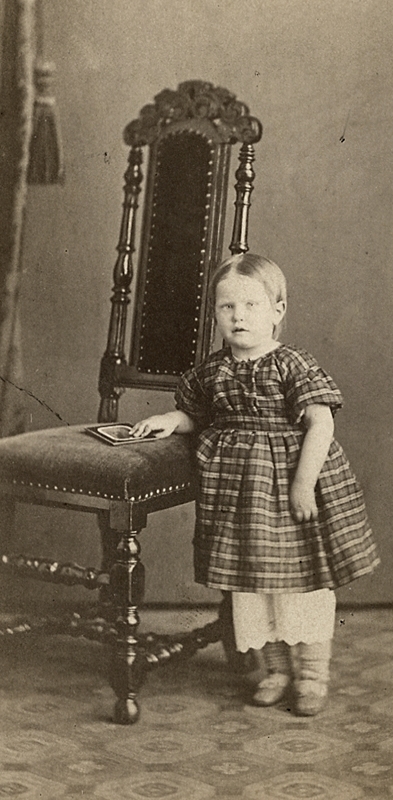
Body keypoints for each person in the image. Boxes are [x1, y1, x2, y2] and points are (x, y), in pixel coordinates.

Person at [130, 253, 379, 716]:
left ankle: (312, 675)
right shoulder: (213, 370)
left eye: (251, 305)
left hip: (290, 493)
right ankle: (276, 670)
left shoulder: (291, 363)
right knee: (253, 587)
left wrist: (303, 485)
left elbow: (321, 424)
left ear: (277, 310)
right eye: (227, 307)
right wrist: (172, 419)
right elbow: (198, 414)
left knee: (301, 587)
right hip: (240, 500)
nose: (239, 316)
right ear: (215, 313)